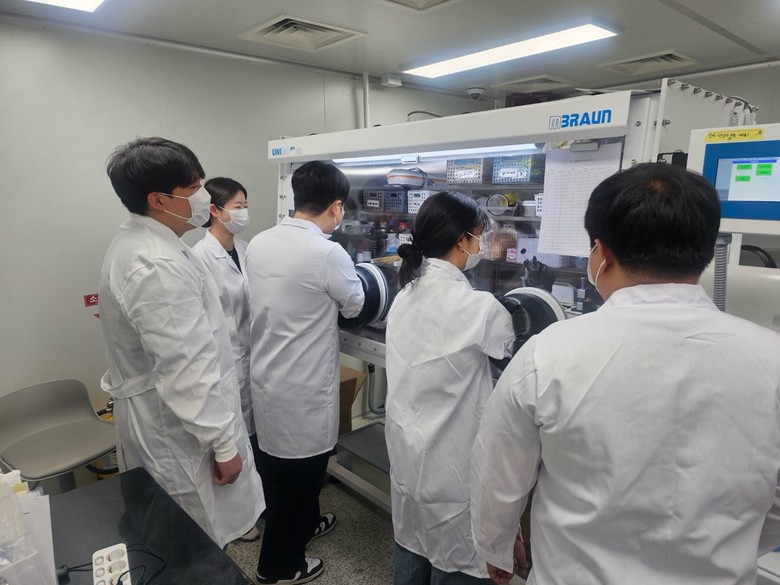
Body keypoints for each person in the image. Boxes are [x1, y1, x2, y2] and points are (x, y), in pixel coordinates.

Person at [470, 162, 780, 585]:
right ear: (706, 249)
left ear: (601, 253)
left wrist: (497, 545)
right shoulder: (771, 359)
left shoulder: (549, 354)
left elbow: (497, 479)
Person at [99, 138, 264, 549]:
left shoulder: (155, 245)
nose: (204, 196)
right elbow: (185, 367)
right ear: (158, 200)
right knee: (188, 541)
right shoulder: (155, 264)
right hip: (177, 430)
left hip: (178, 418)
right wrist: (224, 445)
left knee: (186, 535)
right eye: (193, 188)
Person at [385, 191, 516, 585]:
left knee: (412, 543)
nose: (480, 245)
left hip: (408, 451)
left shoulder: (404, 294)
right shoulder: (480, 308)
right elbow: (509, 349)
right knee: (455, 559)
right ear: (463, 240)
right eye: (479, 236)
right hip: (452, 463)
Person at [245, 160, 365, 584]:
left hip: (268, 379)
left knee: (278, 471)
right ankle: (277, 567)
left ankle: (306, 525)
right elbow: (355, 305)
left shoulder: (259, 242)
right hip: (303, 389)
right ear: (336, 206)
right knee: (299, 480)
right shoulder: (327, 252)